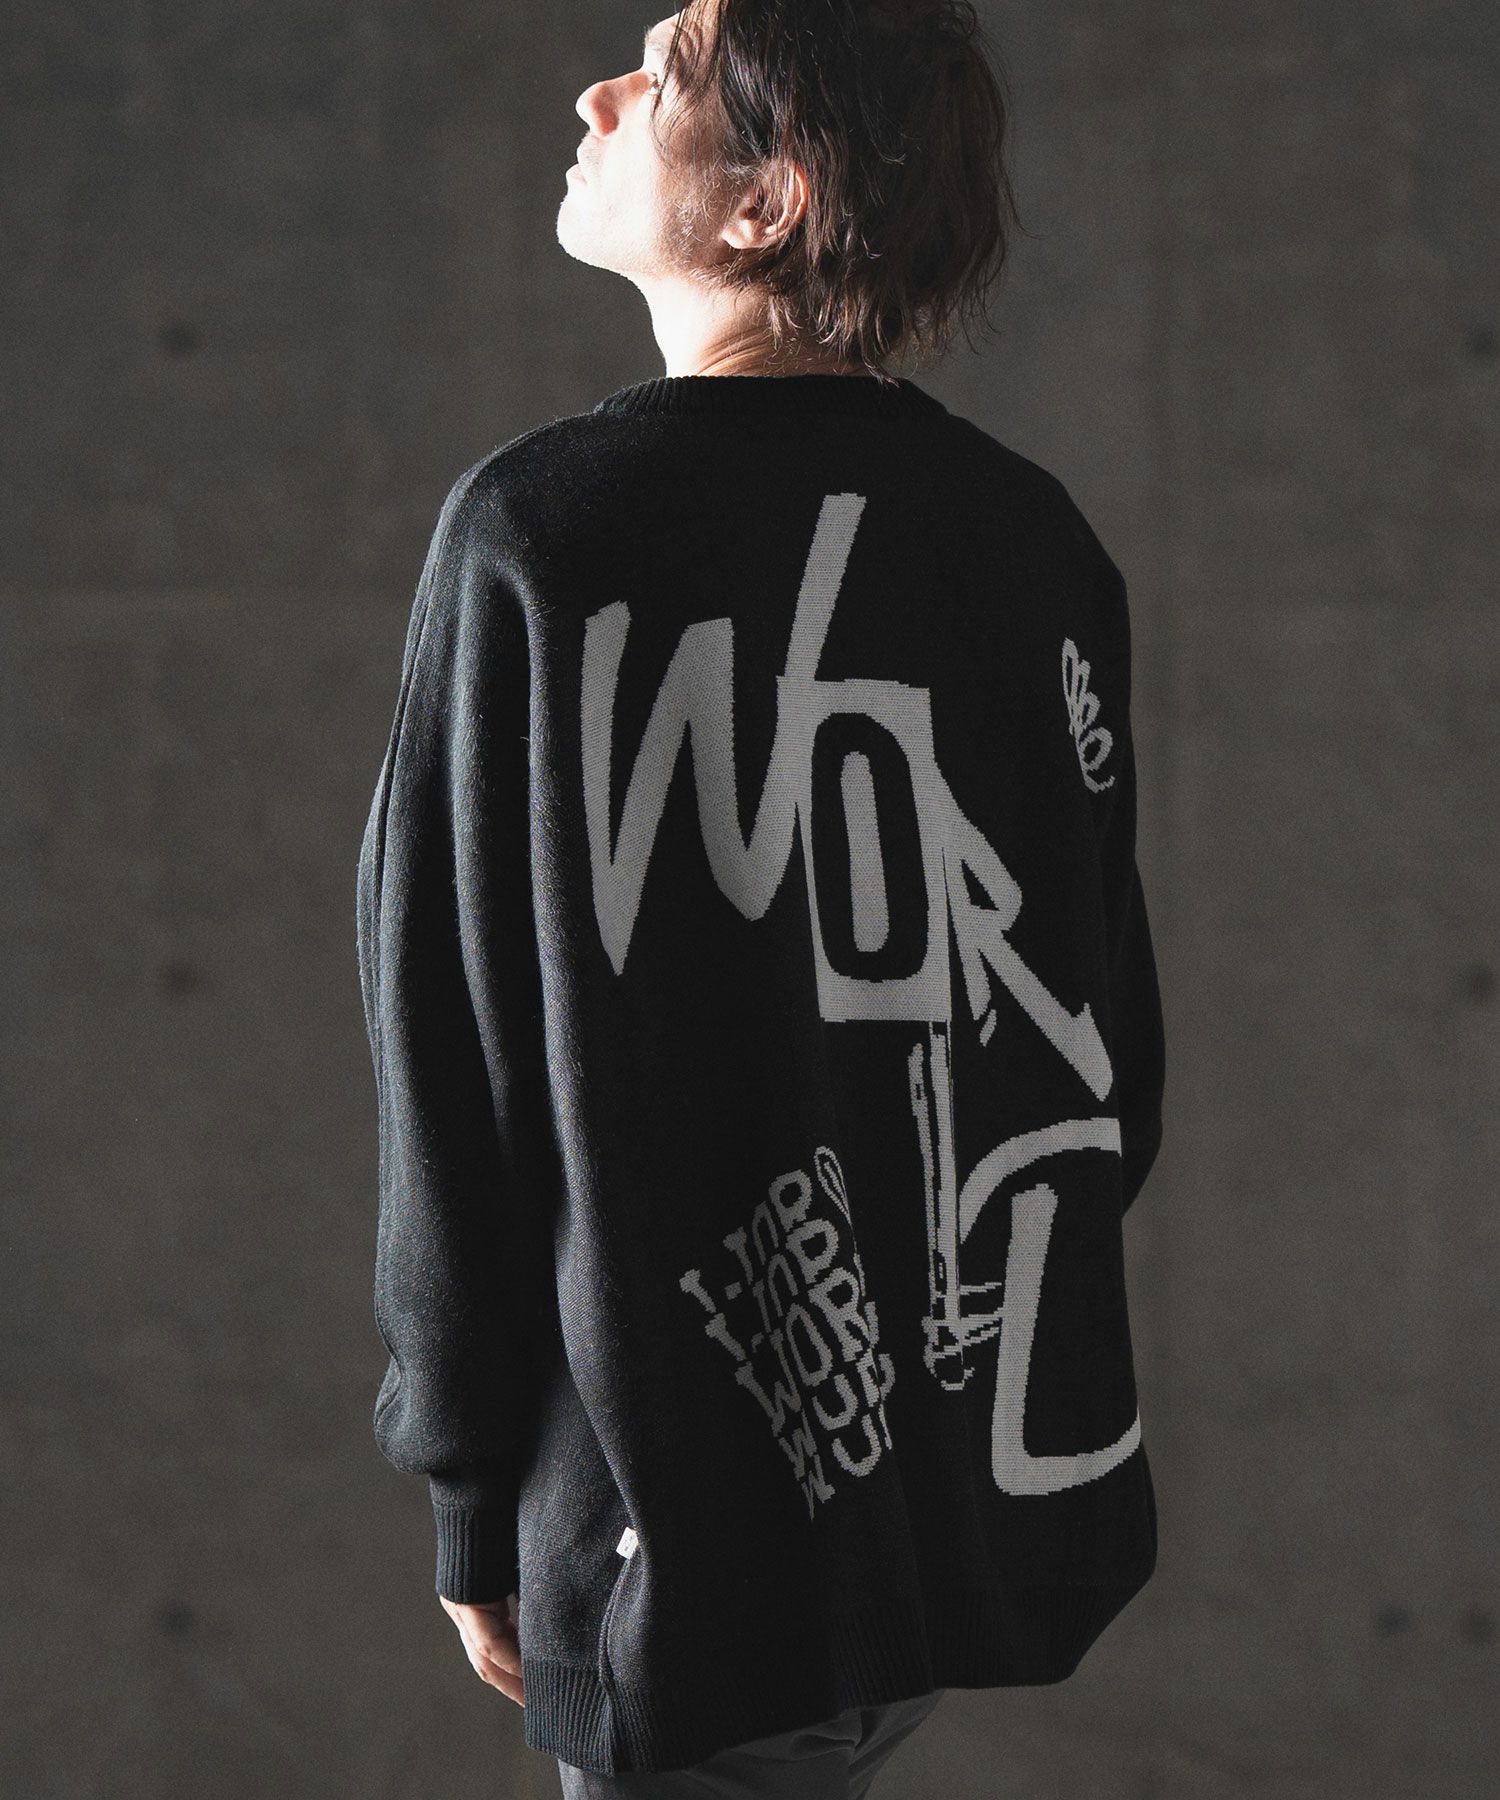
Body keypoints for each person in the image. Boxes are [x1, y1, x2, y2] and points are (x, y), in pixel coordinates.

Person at [354, 0, 1166, 1793]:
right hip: (950, 1518)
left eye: (658, 74)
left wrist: (472, 1484)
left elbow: (450, 1050)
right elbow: (1098, 1053)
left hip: (662, 1524)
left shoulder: (547, 531)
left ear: (767, 199)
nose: (596, 92)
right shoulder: (1034, 543)